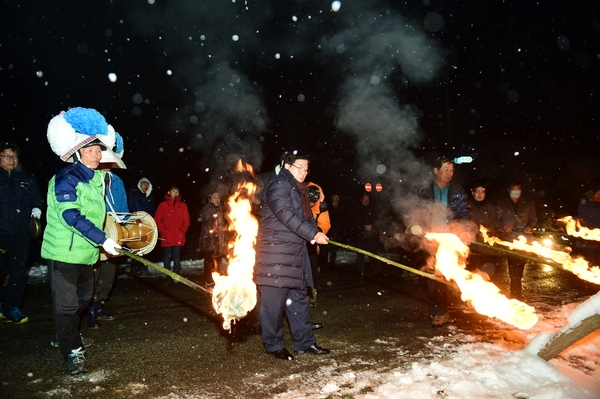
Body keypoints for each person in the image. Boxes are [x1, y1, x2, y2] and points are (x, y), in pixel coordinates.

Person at [43, 107, 123, 375]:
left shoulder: (97, 178)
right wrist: (103, 240)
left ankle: (64, 334)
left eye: (99, 150)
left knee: (85, 298)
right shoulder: (66, 178)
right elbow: (70, 215)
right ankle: (73, 350)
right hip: (64, 253)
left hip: (87, 253)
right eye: (90, 150)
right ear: (77, 153)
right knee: (67, 305)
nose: (96, 154)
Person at [254, 150, 330, 360]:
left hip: (294, 254)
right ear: (286, 165)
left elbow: (304, 218)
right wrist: (312, 234)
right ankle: (273, 344)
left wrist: (317, 231)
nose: (304, 173)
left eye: (307, 169)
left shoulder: (299, 189)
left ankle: (304, 342)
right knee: (273, 305)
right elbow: (286, 215)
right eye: (300, 168)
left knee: (298, 301)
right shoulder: (278, 186)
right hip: (275, 255)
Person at [407, 157, 471, 327]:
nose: (450, 174)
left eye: (452, 171)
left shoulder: (458, 191)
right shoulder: (423, 190)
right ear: (436, 171)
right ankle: (437, 312)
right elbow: (411, 209)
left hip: (450, 239)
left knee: (449, 276)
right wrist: (413, 224)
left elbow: (464, 213)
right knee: (434, 276)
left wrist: (464, 230)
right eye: (446, 170)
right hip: (430, 239)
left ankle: (445, 310)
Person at [0, 141, 43, 324]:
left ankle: (12, 307)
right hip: (1, 234)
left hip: (21, 235)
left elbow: (37, 198)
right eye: (7, 156)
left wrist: (37, 209)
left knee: (18, 273)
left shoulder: (27, 178)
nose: (11, 159)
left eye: (15, 156)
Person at [86, 161, 128, 329]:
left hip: (113, 231)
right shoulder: (91, 178)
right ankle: (91, 308)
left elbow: (123, 204)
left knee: (109, 273)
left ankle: (100, 304)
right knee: (94, 273)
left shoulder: (118, 181)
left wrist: (122, 224)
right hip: (97, 230)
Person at [496, 182, 538, 300]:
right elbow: (496, 220)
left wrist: (530, 226)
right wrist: (504, 227)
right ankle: (515, 294)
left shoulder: (528, 203)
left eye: (518, 190)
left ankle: (516, 292)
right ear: (508, 190)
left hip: (524, 240)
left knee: (519, 267)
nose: (516, 192)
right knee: (513, 267)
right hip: (509, 240)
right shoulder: (501, 204)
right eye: (513, 190)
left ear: (521, 190)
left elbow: (533, 218)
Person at [155, 185, 190, 276]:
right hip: (167, 236)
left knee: (177, 257)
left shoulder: (182, 205)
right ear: (169, 192)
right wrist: (163, 231)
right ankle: (167, 275)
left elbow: (187, 220)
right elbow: (157, 219)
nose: (175, 193)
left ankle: (176, 275)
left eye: (177, 191)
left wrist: (182, 230)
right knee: (167, 257)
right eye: (173, 191)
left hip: (178, 236)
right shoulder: (163, 205)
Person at [466, 183, 501, 276]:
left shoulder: (490, 206)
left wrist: (485, 230)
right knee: (472, 274)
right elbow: (463, 222)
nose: (480, 194)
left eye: (483, 191)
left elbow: (493, 223)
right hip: (471, 247)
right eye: (477, 191)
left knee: (486, 275)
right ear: (472, 192)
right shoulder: (466, 205)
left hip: (486, 248)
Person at [306, 182, 330, 309]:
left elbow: (325, 223)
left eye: (312, 203)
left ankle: (312, 292)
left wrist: (319, 231)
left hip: (311, 240)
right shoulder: (295, 197)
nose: (310, 205)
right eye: (308, 202)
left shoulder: (322, 205)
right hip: (295, 240)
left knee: (311, 266)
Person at [127, 177, 155, 275]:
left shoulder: (150, 197)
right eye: (144, 184)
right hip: (135, 226)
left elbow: (151, 212)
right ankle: (134, 268)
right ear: (140, 184)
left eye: (147, 184)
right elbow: (131, 209)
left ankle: (143, 267)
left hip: (146, 226)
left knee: (145, 246)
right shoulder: (134, 195)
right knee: (135, 246)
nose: (146, 186)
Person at [199, 192, 228, 285]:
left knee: (218, 258)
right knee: (209, 259)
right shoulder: (207, 209)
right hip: (208, 239)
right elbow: (208, 223)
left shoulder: (221, 209)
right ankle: (208, 279)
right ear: (210, 199)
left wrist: (225, 227)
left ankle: (216, 276)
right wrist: (217, 228)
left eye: (218, 197)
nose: (217, 199)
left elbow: (224, 222)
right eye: (214, 197)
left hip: (218, 239)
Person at [353, 193, 382, 276]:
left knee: (373, 254)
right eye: (364, 199)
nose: (366, 201)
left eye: (367, 199)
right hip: (361, 236)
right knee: (360, 255)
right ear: (361, 200)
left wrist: (372, 226)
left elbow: (377, 221)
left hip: (371, 237)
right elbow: (355, 223)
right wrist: (363, 227)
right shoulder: (357, 210)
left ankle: (378, 270)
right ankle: (360, 270)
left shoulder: (373, 210)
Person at [575, 186, 600, 266]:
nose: (599, 196)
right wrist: (594, 228)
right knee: (591, 263)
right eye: (597, 193)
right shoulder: (585, 204)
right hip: (589, 240)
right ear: (593, 194)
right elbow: (582, 218)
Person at [323, 193, 346, 270]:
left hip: (337, 231)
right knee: (325, 249)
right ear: (332, 197)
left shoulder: (341, 208)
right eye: (335, 197)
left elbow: (343, 221)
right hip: (328, 231)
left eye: (338, 197)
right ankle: (324, 265)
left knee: (334, 249)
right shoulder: (327, 208)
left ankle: (332, 265)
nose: (336, 199)